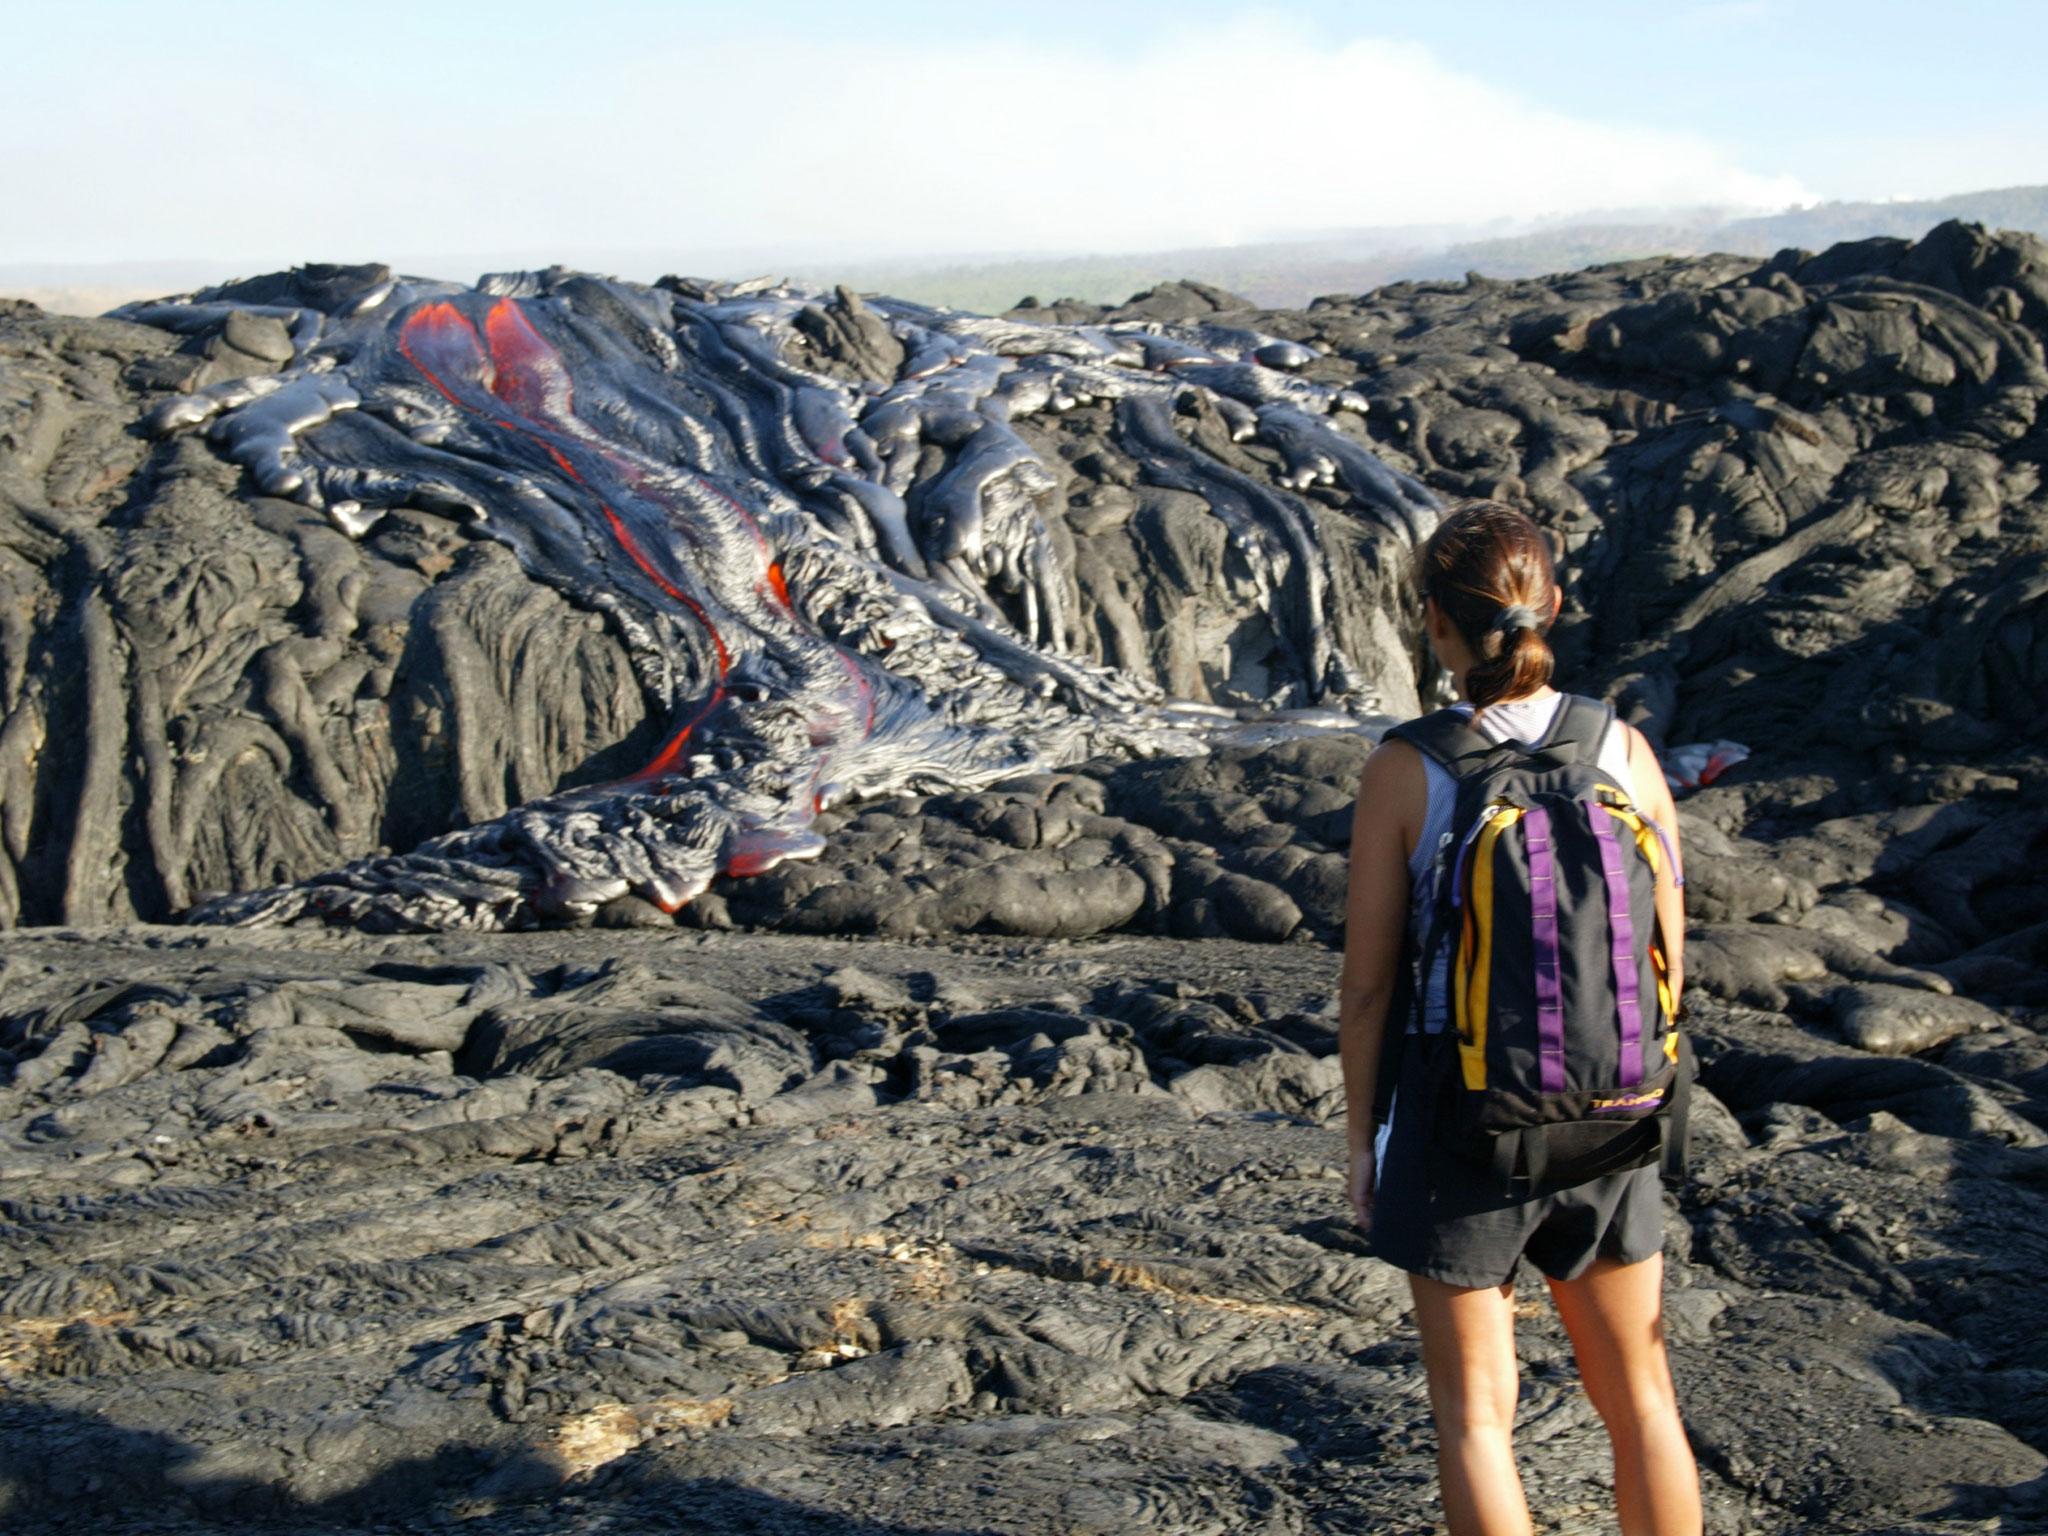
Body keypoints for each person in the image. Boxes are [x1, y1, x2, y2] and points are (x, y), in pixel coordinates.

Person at [1338, 500, 1703, 1536]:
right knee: (1638, 1396)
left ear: (1434, 626)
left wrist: (1364, 1143)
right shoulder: (1622, 750)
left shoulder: (1406, 769)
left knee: (1474, 1421)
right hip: (1617, 1101)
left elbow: (1367, 986)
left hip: (1460, 1112)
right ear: (1548, 605)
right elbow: (1669, 948)